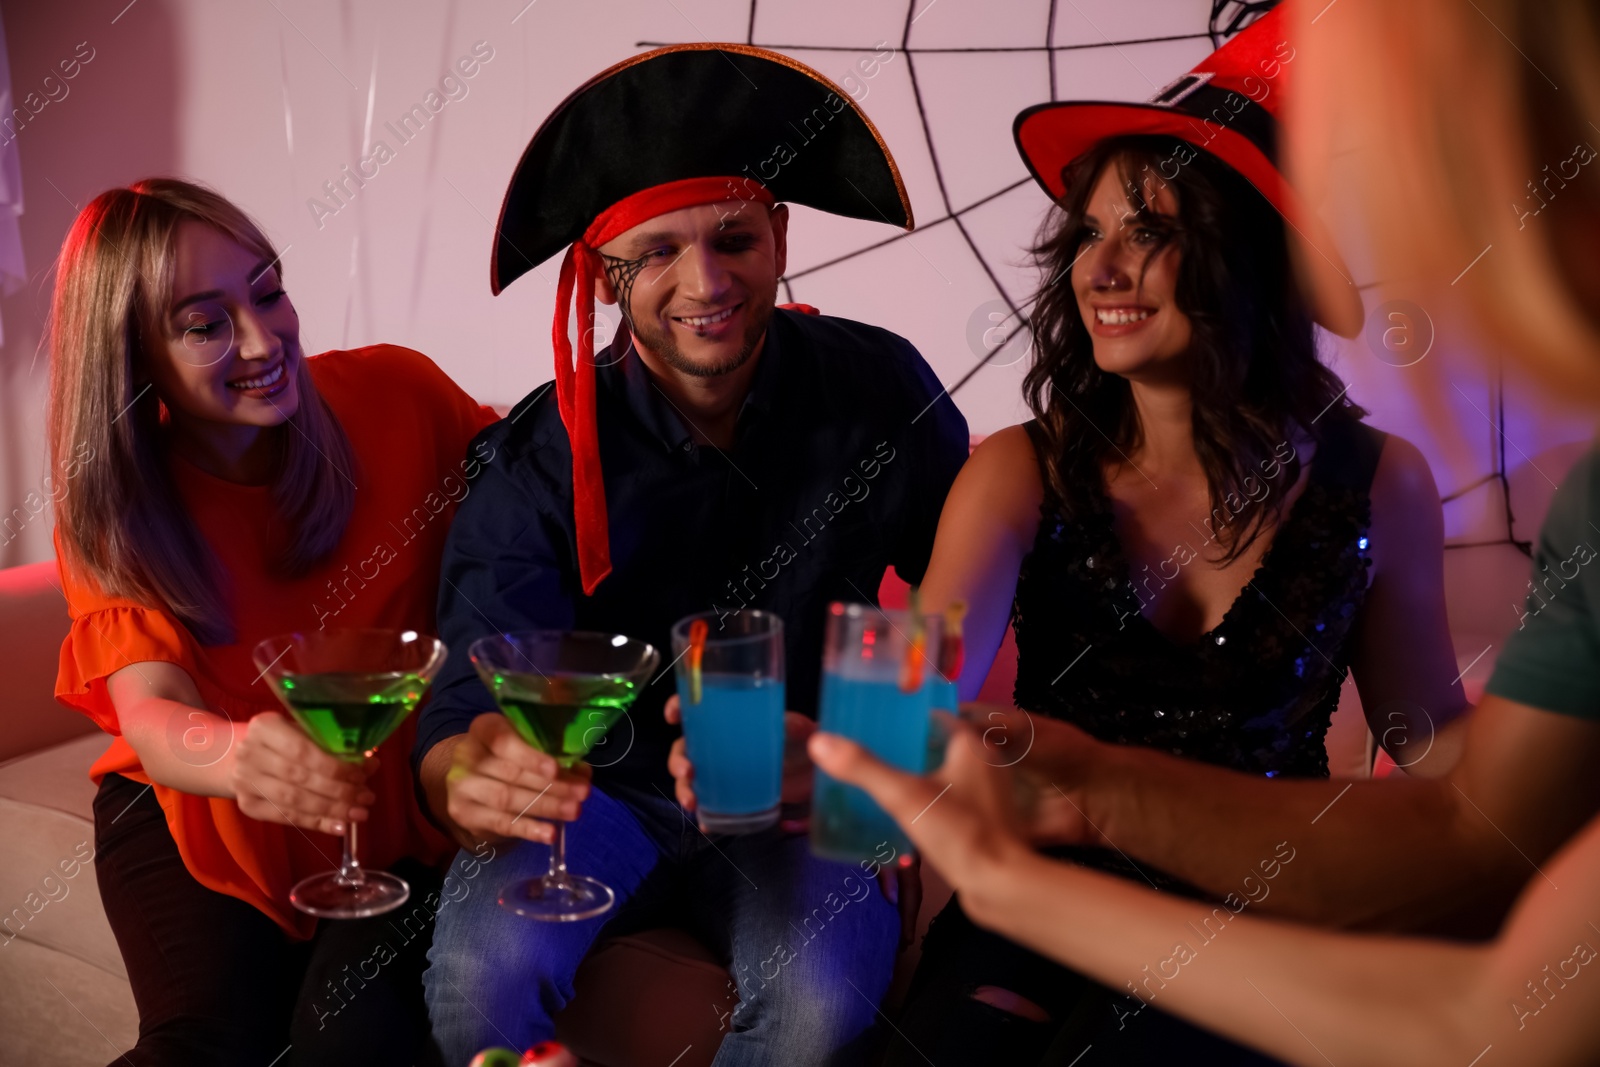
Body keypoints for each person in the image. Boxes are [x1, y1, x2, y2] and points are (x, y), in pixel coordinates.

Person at [808, 0, 1600, 1063]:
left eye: (1152, 232)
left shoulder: (1377, 481)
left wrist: (1539, 748)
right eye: (1089, 234)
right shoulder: (1019, 468)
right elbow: (917, 684)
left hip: (1272, 885)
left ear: (1248, 261)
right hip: (1050, 880)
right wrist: (823, 756)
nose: (1101, 268)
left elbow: (1422, 730)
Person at [413, 44, 970, 1065]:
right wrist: (470, 774)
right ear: (604, 276)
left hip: (799, 796)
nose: (705, 282)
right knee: (476, 987)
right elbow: (466, 709)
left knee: (814, 1011)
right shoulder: (535, 458)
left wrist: (880, 780)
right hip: (598, 795)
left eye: (732, 238)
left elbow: (967, 606)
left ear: (781, 234)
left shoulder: (881, 390)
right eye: (659, 252)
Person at [50, 178, 496, 1066]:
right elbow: (152, 712)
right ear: (133, 357)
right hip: (190, 805)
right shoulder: (116, 507)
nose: (264, 339)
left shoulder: (398, 395)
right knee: (205, 1043)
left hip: (379, 816)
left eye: (269, 290)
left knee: (344, 1037)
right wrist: (239, 754)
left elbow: (545, 494)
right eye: (205, 323)